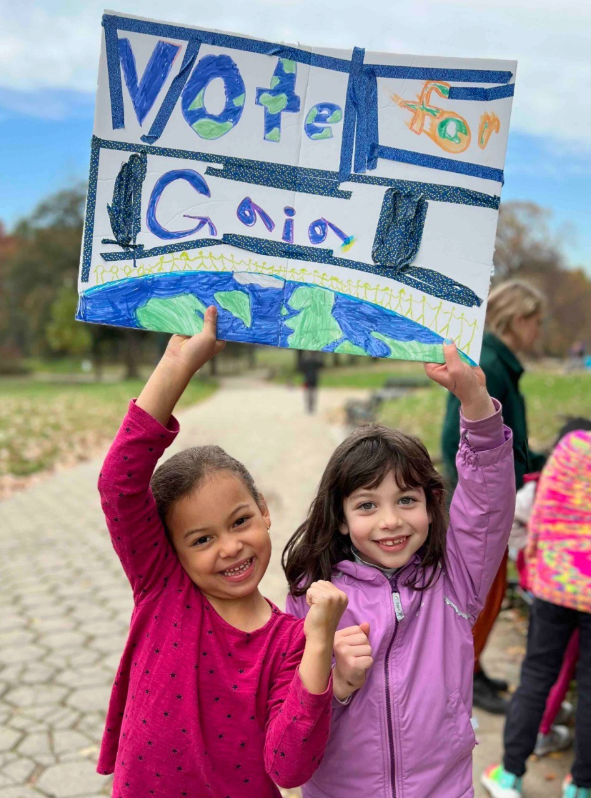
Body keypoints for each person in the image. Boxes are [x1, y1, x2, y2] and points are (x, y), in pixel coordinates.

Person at [96, 307, 349, 797]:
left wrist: (320, 643)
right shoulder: (162, 585)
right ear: (171, 550)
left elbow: (289, 767)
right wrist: (176, 365)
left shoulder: (291, 641)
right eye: (202, 539)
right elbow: (118, 483)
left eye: (240, 521)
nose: (231, 547)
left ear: (263, 509)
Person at [283, 340, 515, 798]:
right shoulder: (314, 597)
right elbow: (290, 717)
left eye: (406, 500)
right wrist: (339, 684)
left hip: (443, 789)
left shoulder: (455, 578)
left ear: (431, 506)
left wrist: (476, 406)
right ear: (342, 518)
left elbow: (488, 505)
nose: (391, 520)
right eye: (367, 505)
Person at [442, 280, 547, 714]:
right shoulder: (491, 362)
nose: (538, 332)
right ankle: (463, 676)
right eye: (536, 322)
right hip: (482, 497)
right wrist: (478, 491)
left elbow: (511, 439)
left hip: (492, 489)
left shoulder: (497, 360)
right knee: (480, 593)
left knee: (488, 592)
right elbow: (456, 436)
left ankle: (475, 668)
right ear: (518, 318)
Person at [482, 422, 591, 798]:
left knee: (537, 675)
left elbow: (541, 514)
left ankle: (510, 774)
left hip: (555, 584)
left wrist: (534, 560)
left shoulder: (570, 449)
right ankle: (580, 785)